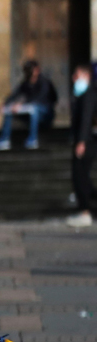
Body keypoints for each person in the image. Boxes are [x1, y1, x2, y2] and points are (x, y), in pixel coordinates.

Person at [0, 60, 57, 151]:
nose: (29, 72)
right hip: (30, 114)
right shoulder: (26, 83)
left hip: (45, 114)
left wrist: (21, 104)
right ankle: (4, 139)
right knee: (9, 109)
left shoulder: (44, 82)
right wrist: (5, 104)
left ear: (37, 70)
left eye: (31, 69)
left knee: (34, 108)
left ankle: (32, 139)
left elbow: (39, 98)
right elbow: (15, 94)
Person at [68, 64, 95, 228]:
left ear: (87, 76)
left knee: (79, 174)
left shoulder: (89, 94)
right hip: (87, 139)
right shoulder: (84, 94)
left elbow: (86, 119)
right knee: (81, 175)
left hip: (88, 141)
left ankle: (85, 211)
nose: (74, 79)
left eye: (77, 76)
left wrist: (82, 142)